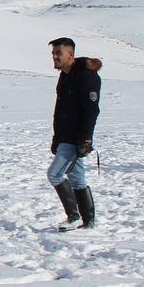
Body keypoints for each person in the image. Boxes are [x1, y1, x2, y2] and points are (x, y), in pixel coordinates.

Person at [47, 36, 102, 230]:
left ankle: (74, 216)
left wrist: (86, 138)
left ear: (71, 54)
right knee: (77, 179)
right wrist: (56, 137)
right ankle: (89, 221)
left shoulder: (86, 76)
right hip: (65, 137)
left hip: (76, 138)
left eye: (58, 53)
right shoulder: (65, 75)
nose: (54, 57)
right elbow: (60, 109)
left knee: (54, 174)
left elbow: (91, 110)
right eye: (53, 53)